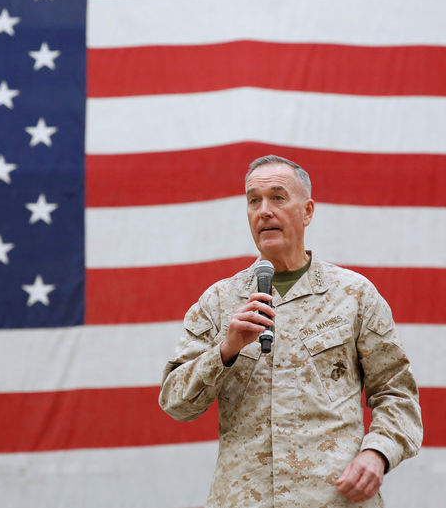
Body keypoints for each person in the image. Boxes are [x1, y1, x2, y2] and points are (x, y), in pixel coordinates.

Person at [159, 155, 422, 507]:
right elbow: (176, 403)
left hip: (331, 498)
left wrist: (377, 454)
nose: (264, 210)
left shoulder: (353, 295)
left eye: (278, 197)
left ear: (308, 211)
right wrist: (227, 349)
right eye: (254, 200)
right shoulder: (219, 301)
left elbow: (396, 393)